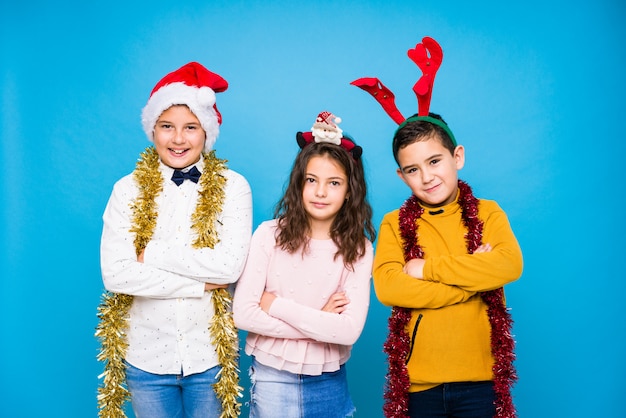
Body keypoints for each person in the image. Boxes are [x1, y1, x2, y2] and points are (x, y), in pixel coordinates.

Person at [97, 62, 253, 418]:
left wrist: (148, 253)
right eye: (167, 127)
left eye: (190, 128)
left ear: (206, 133)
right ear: (153, 130)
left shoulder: (233, 187)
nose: (178, 139)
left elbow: (228, 266)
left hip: (210, 357)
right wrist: (202, 284)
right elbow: (117, 275)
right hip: (145, 359)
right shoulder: (127, 190)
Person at [372, 112, 523, 418]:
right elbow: (389, 287)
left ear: (458, 157)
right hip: (420, 386)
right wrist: (472, 283)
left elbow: (508, 265)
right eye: (413, 169)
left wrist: (425, 270)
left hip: (481, 382)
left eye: (435, 161)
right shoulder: (393, 224)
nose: (427, 177)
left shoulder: (488, 213)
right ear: (401, 176)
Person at [233, 111, 376, 418]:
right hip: (273, 378)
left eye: (334, 182)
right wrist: (320, 320)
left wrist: (275, 305)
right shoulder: (269, 234)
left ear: (350, 190)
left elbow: (348, 331)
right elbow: (243, 314)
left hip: (329, 382)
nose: (321, 192)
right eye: (312, 180)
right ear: (299, 183)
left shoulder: (359, 248)